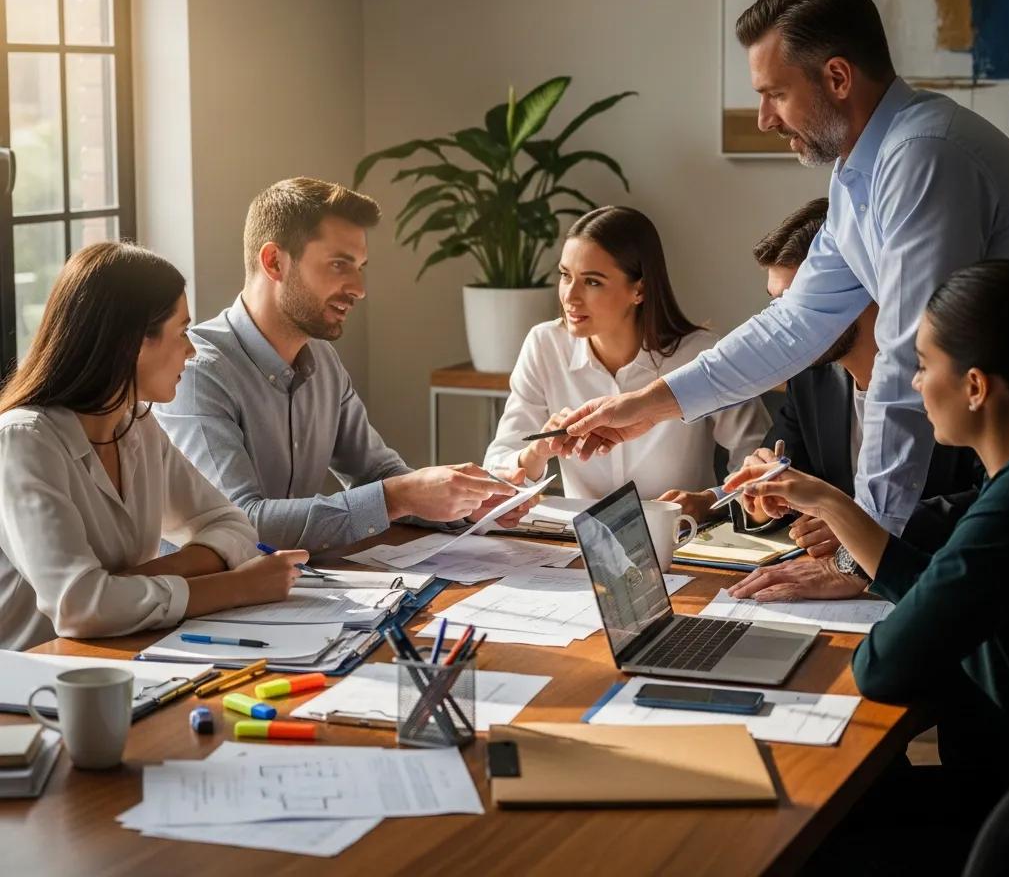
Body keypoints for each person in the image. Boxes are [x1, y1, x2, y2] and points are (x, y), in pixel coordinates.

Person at [559, 0, 1009, 571]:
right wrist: (640, 407)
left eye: (775, 94)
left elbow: (904, 361)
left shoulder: (923, 158)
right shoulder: (862, 171)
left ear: (836, 77)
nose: (764, 119)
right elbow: (792, 324)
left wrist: (862, 555)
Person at [733, 260, 1009, 873]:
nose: (913, 385)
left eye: (921, 365)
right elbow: (942, 599)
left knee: (802, 820)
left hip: (1002, 817)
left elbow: (884, 664)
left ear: (974, 387)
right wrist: (830, 503)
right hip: (998, 786)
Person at [156, 177, 530, 554]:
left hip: (299, 593)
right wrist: (398, 497)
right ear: (274, 262)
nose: (359, 287)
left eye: (360, 267)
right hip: (207, 605)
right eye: (339, 264)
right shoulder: (197, 372)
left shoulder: (323, 360)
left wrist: (467, 502)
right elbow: (240, 524)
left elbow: (378, 474)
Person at [0, 243, 306, 652]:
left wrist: (142, 579)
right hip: (29, 690)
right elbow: (79, 606)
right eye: (181, 332)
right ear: (132, 343)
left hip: (123, 661)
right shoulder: (24, 442)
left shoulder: (138, 427)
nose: (191, 350)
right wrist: (235, 586)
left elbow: (233, 525)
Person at [727, 199, 979, 601]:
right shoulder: (810, 377)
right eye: (776, 304)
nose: (783, 326)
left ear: (864, 286)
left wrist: (859, 526)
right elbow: (784, 477)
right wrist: (760, 495)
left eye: (796, 305)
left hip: (944, 591)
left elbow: (993, 500)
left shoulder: (950, 375)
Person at [482, 206, 769, 502]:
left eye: (592, 281)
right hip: (581, 543)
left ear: (639, 289)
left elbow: (760, 461)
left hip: (685, 538)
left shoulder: (701, 355)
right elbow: (496, 467)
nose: (570, 296)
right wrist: (537, 452)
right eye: (566, 276)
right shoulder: (545, 345)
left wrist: (710, 502)